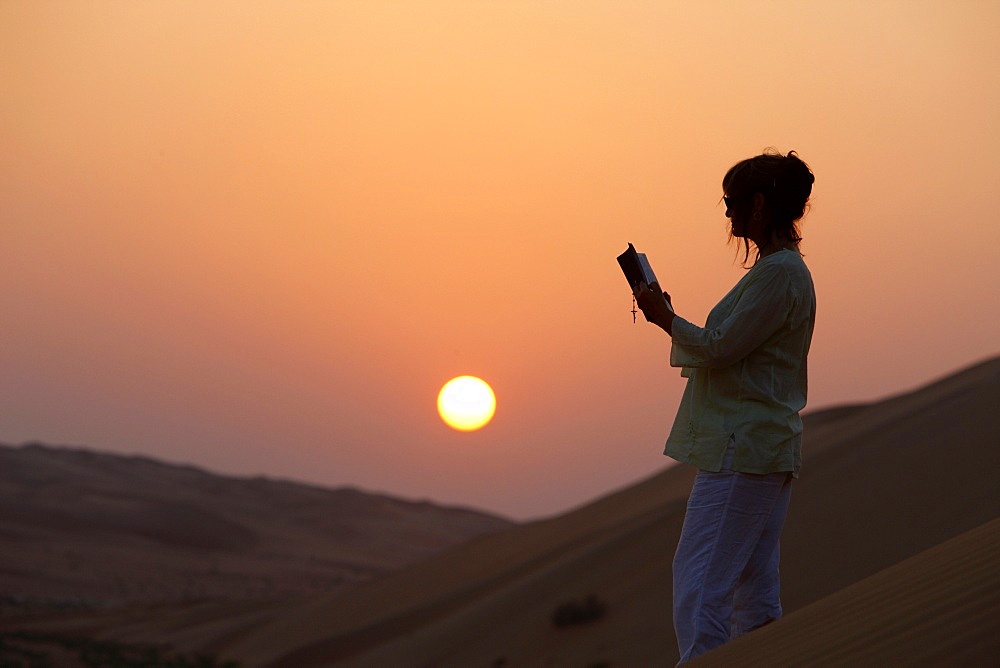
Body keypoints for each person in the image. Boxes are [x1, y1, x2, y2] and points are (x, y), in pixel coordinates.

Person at [634, 149, 816, 664]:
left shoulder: (780, 274)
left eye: (733, 203)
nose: (729, 216)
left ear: (759, 205)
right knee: (752, 591)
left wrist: (664, 319)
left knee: (700, 584)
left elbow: (719, 346)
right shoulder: (781, 272)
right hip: (762, 446)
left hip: (745, 448)